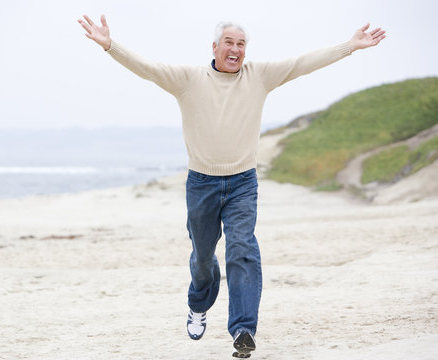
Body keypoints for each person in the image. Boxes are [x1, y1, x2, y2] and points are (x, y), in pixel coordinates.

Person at [78, 14, 385, 358]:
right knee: (204, 258)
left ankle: (243, 329)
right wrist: (109, 45)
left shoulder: (259, 77)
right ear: (215, 47)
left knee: (242, 247)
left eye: (241, 44)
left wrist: (349, 47)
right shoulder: (188, 80)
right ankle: (198, 304)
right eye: (229, 42)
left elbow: (302, 63)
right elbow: (147, 68)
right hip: (201, 184)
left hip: (242, 181)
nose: (236, 49)